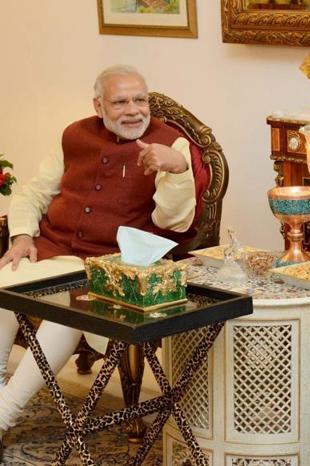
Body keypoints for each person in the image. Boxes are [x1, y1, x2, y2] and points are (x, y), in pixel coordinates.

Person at [0, 64, 196, 457]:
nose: (133, 110)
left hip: (109, 267)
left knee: (64, 316)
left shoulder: (170, 145)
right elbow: (35, 193)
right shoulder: (74, 134)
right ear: (98, 105)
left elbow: (173, 221)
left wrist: (177, 171)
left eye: (140, 100)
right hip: (54, 250)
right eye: (120, 101)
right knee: (7, 281)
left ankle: (3, 415)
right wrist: (22, 234)